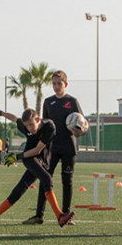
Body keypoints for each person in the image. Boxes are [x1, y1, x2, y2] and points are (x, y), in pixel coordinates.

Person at [0, 108, 75, 232]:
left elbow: (38, 150)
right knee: (47, 179)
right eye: (26, 126)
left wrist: (17, 156)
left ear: (38, 119)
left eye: (31, 124)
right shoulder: (26, 126)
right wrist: (0, 113)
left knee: (17, 192)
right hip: (29, 159)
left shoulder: (49, 127)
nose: (29, 128)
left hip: (38, 159)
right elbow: (15, 119)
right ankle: (60, 216)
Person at [23, 70, 86, 225]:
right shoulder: (48, 102)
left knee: (67, 181)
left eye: (59, 83)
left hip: (68, 148)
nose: (56, 86)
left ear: (66, 84)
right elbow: (42, 125)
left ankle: (66, 215)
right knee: (45, 179)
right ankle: (39, 215)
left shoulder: (72, 101)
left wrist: (79, 131)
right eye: (54, 84)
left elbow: (83, 125)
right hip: (51, 149)